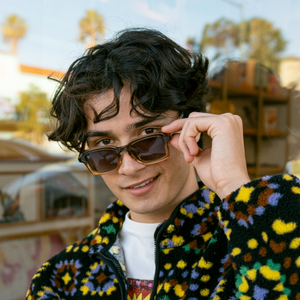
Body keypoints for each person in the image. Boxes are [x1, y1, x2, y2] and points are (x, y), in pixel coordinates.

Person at [26, 28, 300, 300]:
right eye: (104, 148)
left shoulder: (256, 238)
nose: (129, 167)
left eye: (148, 136)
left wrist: (236, 187)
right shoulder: (61, 279)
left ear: (193, 123)